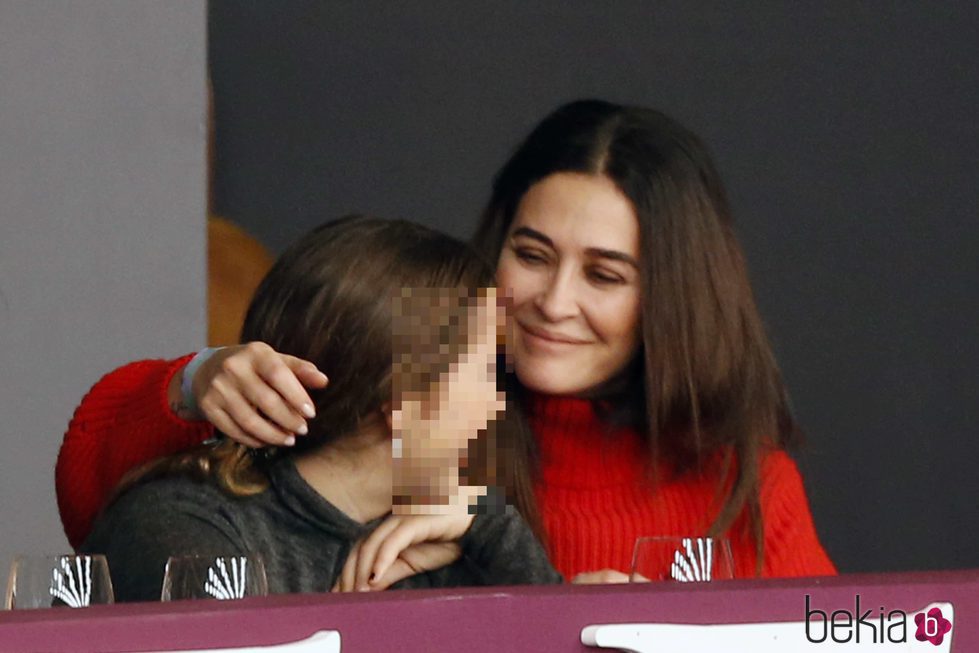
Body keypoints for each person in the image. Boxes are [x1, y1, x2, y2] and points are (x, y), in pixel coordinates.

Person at [58, 99, 836, 581]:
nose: (552, 302)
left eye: (604, 275)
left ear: (670, 299)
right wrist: (196, 381)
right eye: (530, 255)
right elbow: (110, 496)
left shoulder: (742, 483)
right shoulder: (424, 417)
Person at [80, 216, 560, 601]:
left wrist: (490, 526)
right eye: (485, 373)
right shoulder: (183, 526)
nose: (499, 401)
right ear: (403, 402)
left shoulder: (454, 539)